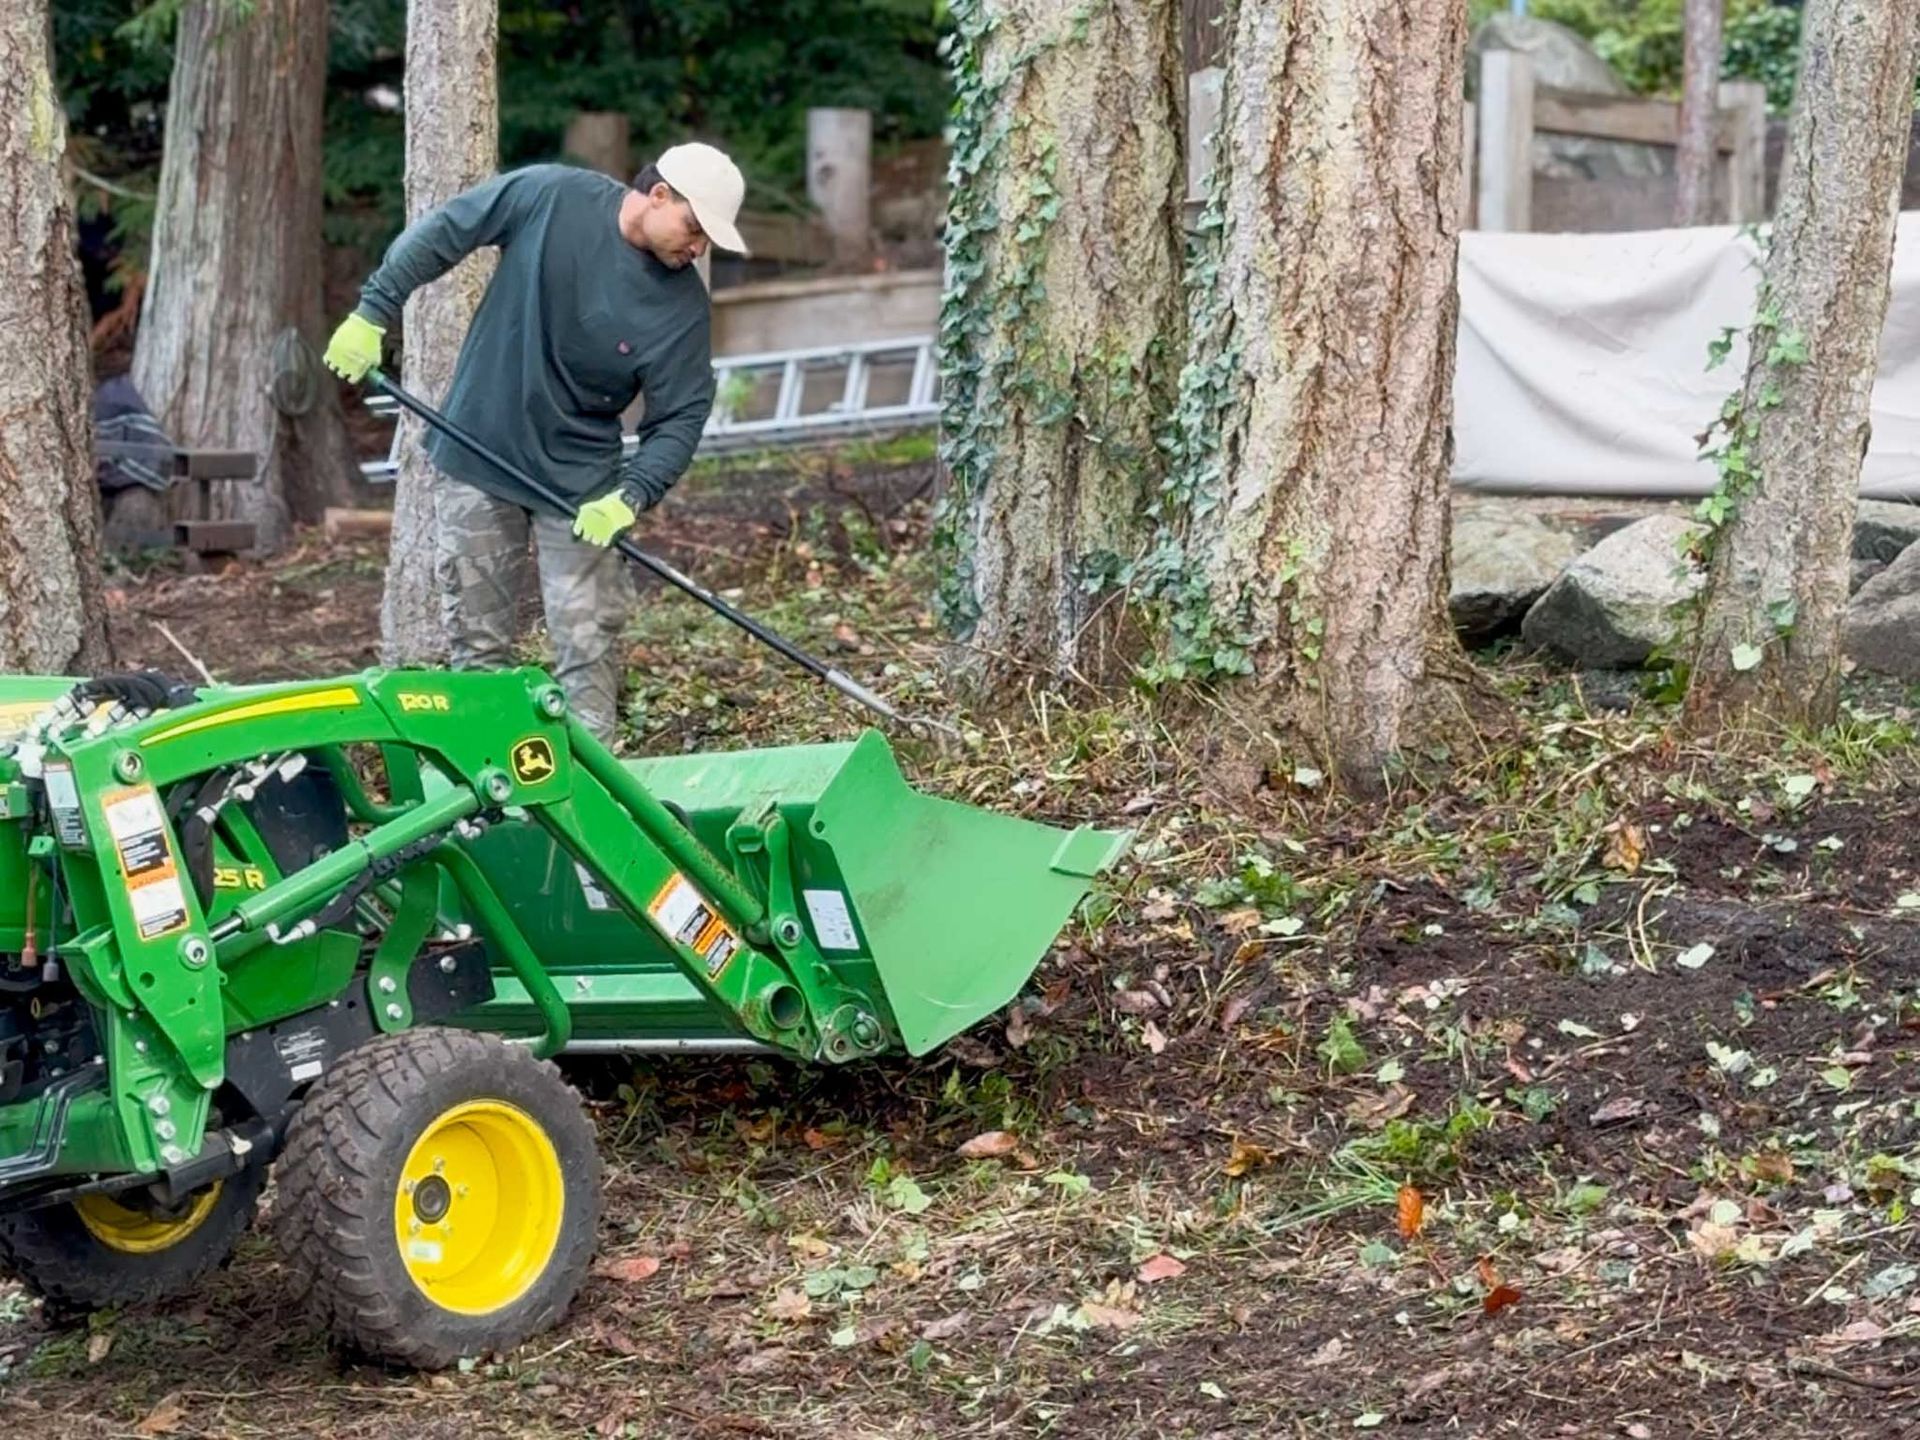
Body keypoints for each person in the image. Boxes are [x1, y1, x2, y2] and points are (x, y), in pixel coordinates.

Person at [322, 144, 750, 743]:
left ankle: (593, 792)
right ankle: (485, 785)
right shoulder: (551, 196)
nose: (698, 248)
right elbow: (447, 231)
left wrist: (631, 495)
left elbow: (680, 416)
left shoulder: (680, 310)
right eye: (694, 227)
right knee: (478, 644)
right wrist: (373, 311)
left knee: (587, 641)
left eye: (707, 238)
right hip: (479, 450)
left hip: (580, 488)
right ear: (658, 196)